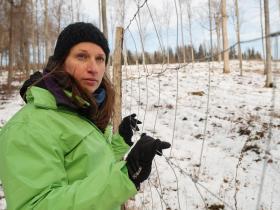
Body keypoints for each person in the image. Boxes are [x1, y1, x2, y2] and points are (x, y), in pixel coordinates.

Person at [0, 22, 170, 210]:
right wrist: (125, 177)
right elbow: (35, 205)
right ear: (61, 62)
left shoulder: (77, 110)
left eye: (100, 59)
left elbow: (83, 167)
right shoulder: (28, 126)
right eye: (81, 56)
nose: (93, 68)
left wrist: (120, 142)